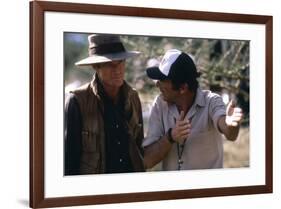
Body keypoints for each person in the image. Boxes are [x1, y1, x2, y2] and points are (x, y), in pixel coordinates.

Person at [142, 49, 243, 171]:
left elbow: (229, 131)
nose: (157, 84)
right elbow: (147, 161)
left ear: (183, 88)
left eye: (162, 80)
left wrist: (231, 124)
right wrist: (170, 137)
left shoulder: (211, 101)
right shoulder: (159, 105)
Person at [64, 34, 144, 175]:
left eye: (121, 62)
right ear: (96, 66)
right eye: (110, 64)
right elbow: (70, 162)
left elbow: (139, 147)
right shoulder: (77, 101)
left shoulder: (133, 97)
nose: (118, 70)